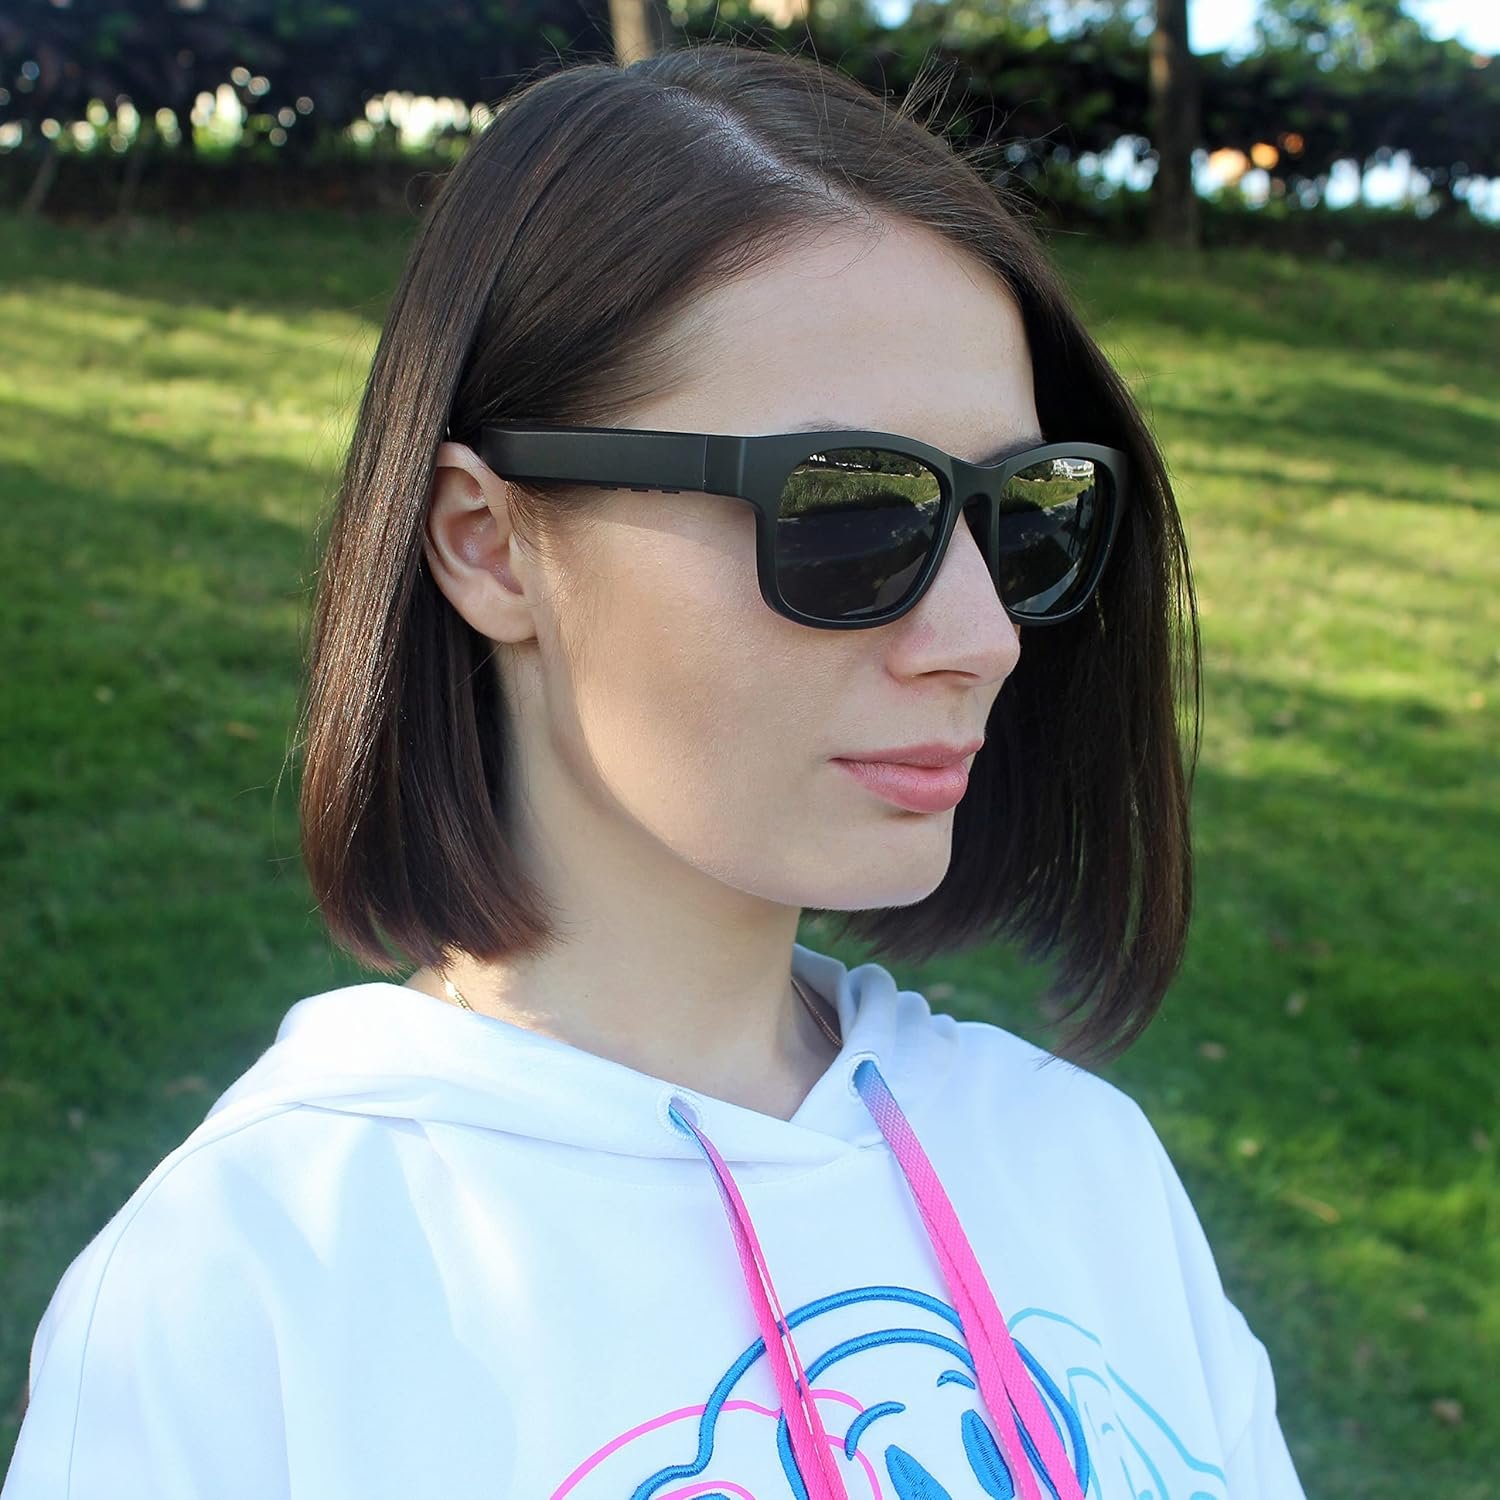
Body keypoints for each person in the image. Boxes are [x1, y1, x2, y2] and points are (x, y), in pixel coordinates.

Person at [2, 40, 1307, 1500]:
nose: (981, 636)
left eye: (1021, 516)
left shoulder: (1083, 1172)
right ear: (489, 545)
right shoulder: (255, 1286)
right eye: (849, 515)